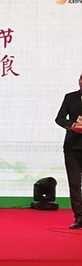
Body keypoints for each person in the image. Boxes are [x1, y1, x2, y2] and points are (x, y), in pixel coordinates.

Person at [55, 72, 82, 229]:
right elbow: (59, 118)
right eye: (81, 79)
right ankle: (79, 217)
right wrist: (72, 125)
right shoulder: (70, 97)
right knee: (74, 184)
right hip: (72, 148)